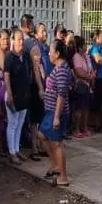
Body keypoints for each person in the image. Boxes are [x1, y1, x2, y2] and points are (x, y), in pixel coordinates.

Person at [40, 40, 73, 187]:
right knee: (42, 135)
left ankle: (63, 176)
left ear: (57, 53)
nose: (49, 54)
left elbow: (61, 95)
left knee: (57, 143)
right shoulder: (59, 68)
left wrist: (57, 117)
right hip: (50, 111)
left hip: (56, 112)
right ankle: (55, 165)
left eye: (51, 51)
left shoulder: (62, 71)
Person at [4, 29, 31, 164]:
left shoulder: (25, 55)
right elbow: (6, 75)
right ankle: (11, 152)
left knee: (20, 124)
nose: (21, 42)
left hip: (23, 95)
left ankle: (17, 150)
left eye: (22, 39)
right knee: (13, 124)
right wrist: (9, 94)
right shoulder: (9, 56)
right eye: (18, 39)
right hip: (13, 95)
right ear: (13, 40)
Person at [23, 21, 49, 161]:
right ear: (36, 34)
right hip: (35, 86)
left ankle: (39, 145)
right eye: (42, 31)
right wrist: (40, 88)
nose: (45, 33)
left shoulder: (44, 47)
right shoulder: (34, 47)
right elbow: (36, 69)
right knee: (34, 119)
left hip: (43, 85)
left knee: (40, 118)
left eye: (46, 31)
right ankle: (34, 148)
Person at [72, 35, 94, 139]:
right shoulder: (76, 57)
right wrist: (89, 77)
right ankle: (77, 129)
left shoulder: (86, 56)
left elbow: (91, 69)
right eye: (84, 45)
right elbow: (79, 72)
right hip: (80, 85)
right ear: (80, 47)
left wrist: (92, 75)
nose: (86, 47)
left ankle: (84, 127)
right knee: (79, 108)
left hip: (88, 85)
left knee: (86, 108)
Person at [0, 29, 11, 154]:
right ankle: (0, 146)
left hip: (6, 86)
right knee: (0, 116)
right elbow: (6, 68)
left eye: (8, 38)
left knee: (6, 117)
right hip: (0, 88)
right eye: (3, 39)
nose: (6, 41)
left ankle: (6, 145)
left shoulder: (7, 52)